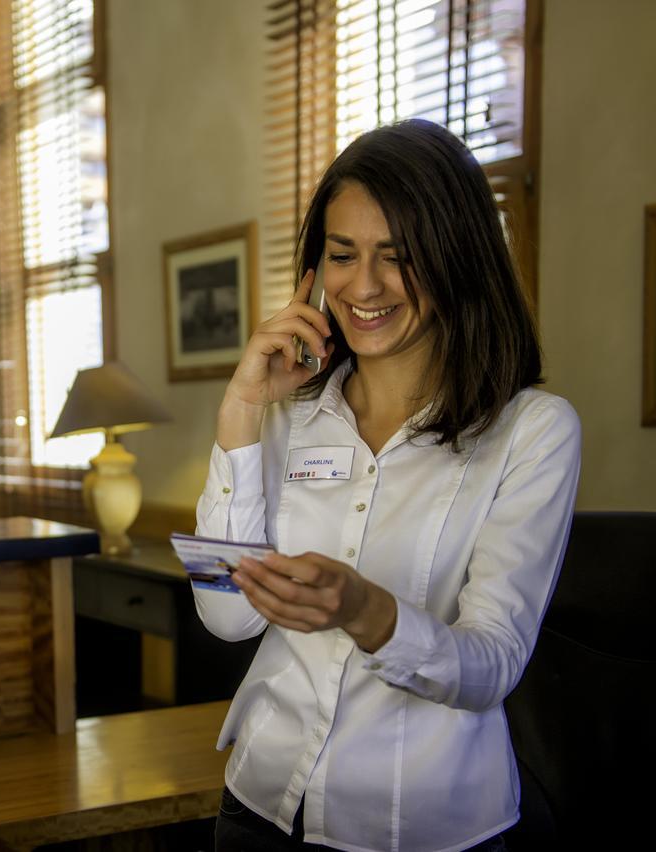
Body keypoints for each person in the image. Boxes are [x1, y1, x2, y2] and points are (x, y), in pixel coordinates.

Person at [194, 119, 581, 852]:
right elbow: (227, 620)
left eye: (397, 258)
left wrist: (370, 612)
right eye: (342, 254)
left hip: (427, 829)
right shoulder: (286, 414)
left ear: (457, 261)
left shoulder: (533, 432)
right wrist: (242, 409)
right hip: (262, 809)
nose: (363, 286)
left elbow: (491, 664)